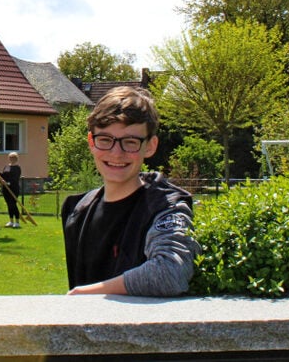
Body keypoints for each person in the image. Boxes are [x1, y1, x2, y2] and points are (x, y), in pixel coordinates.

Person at [61, 86, 200, 296]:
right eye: (105, 140)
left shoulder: (166, 207)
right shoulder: (77, 210)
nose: (117, 153)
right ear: (91, 142)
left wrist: (87, 294)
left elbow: (171, 272)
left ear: (150, 146)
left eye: (130, 142)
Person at [0, 152, 22, 228]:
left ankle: (17, 221)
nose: (12, 159)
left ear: (16, 159)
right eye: (10, 158)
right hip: (5, 189)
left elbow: (15, 178)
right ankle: (11, 221)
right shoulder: (6, 167)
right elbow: (3, 176)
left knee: (13, 204)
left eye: (13, 158)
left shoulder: (17, 168)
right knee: (9, 205)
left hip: (13, 188)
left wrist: (8, 183)